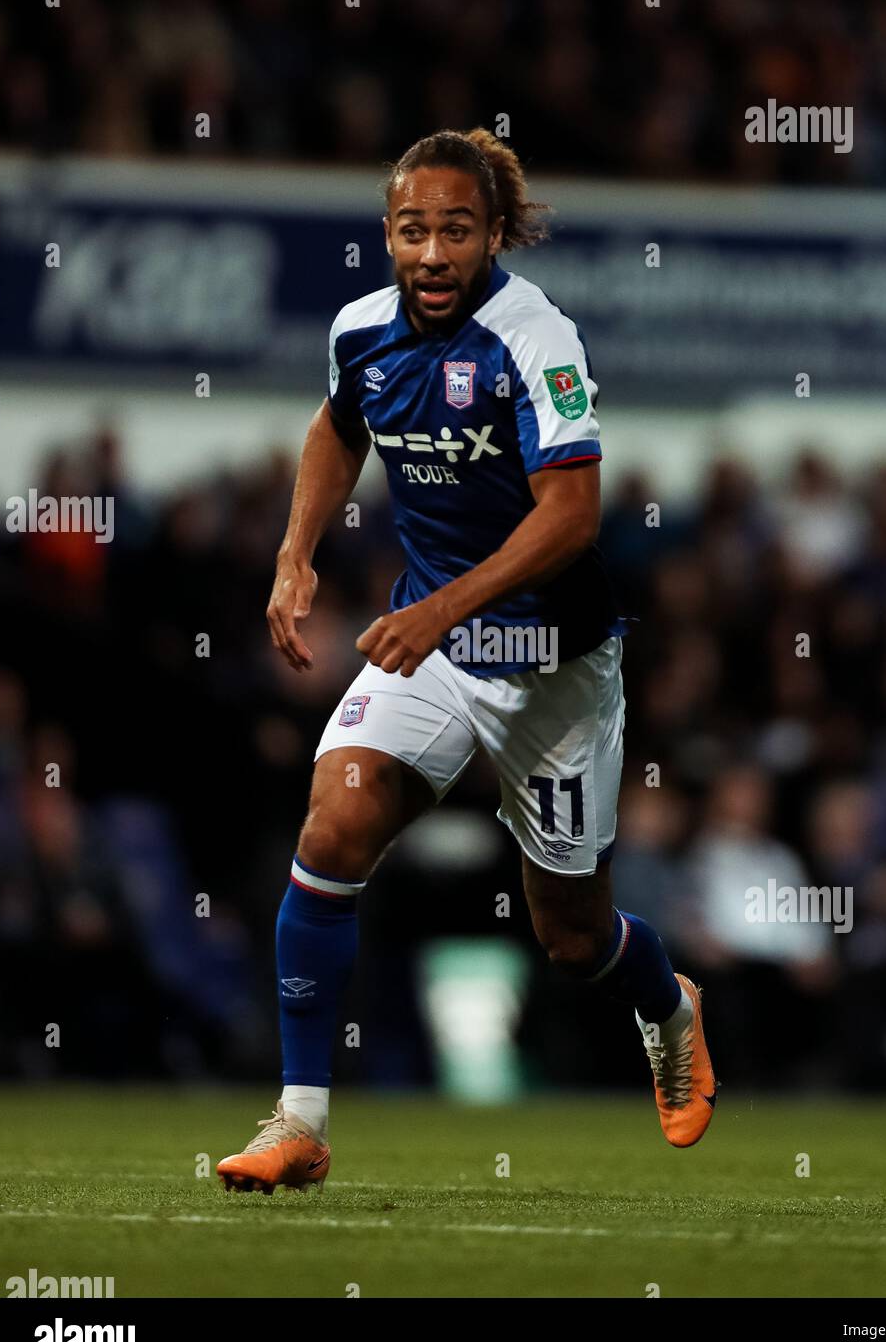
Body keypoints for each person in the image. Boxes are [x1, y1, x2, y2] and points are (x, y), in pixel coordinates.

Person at [216, 128, 715, 1195]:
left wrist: (439, 604)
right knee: (333, 821)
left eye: (454, 229)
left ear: (493, 233)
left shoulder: (535, 337)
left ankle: (668, 1005)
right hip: (435, 651)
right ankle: (299, 1119)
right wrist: (294, 552)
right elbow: (334, 427)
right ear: (387, 236)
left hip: (551, 666)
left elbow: (572, 515)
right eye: (411, 230)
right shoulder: (361, 331)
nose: (432, 252)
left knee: (571, 939)